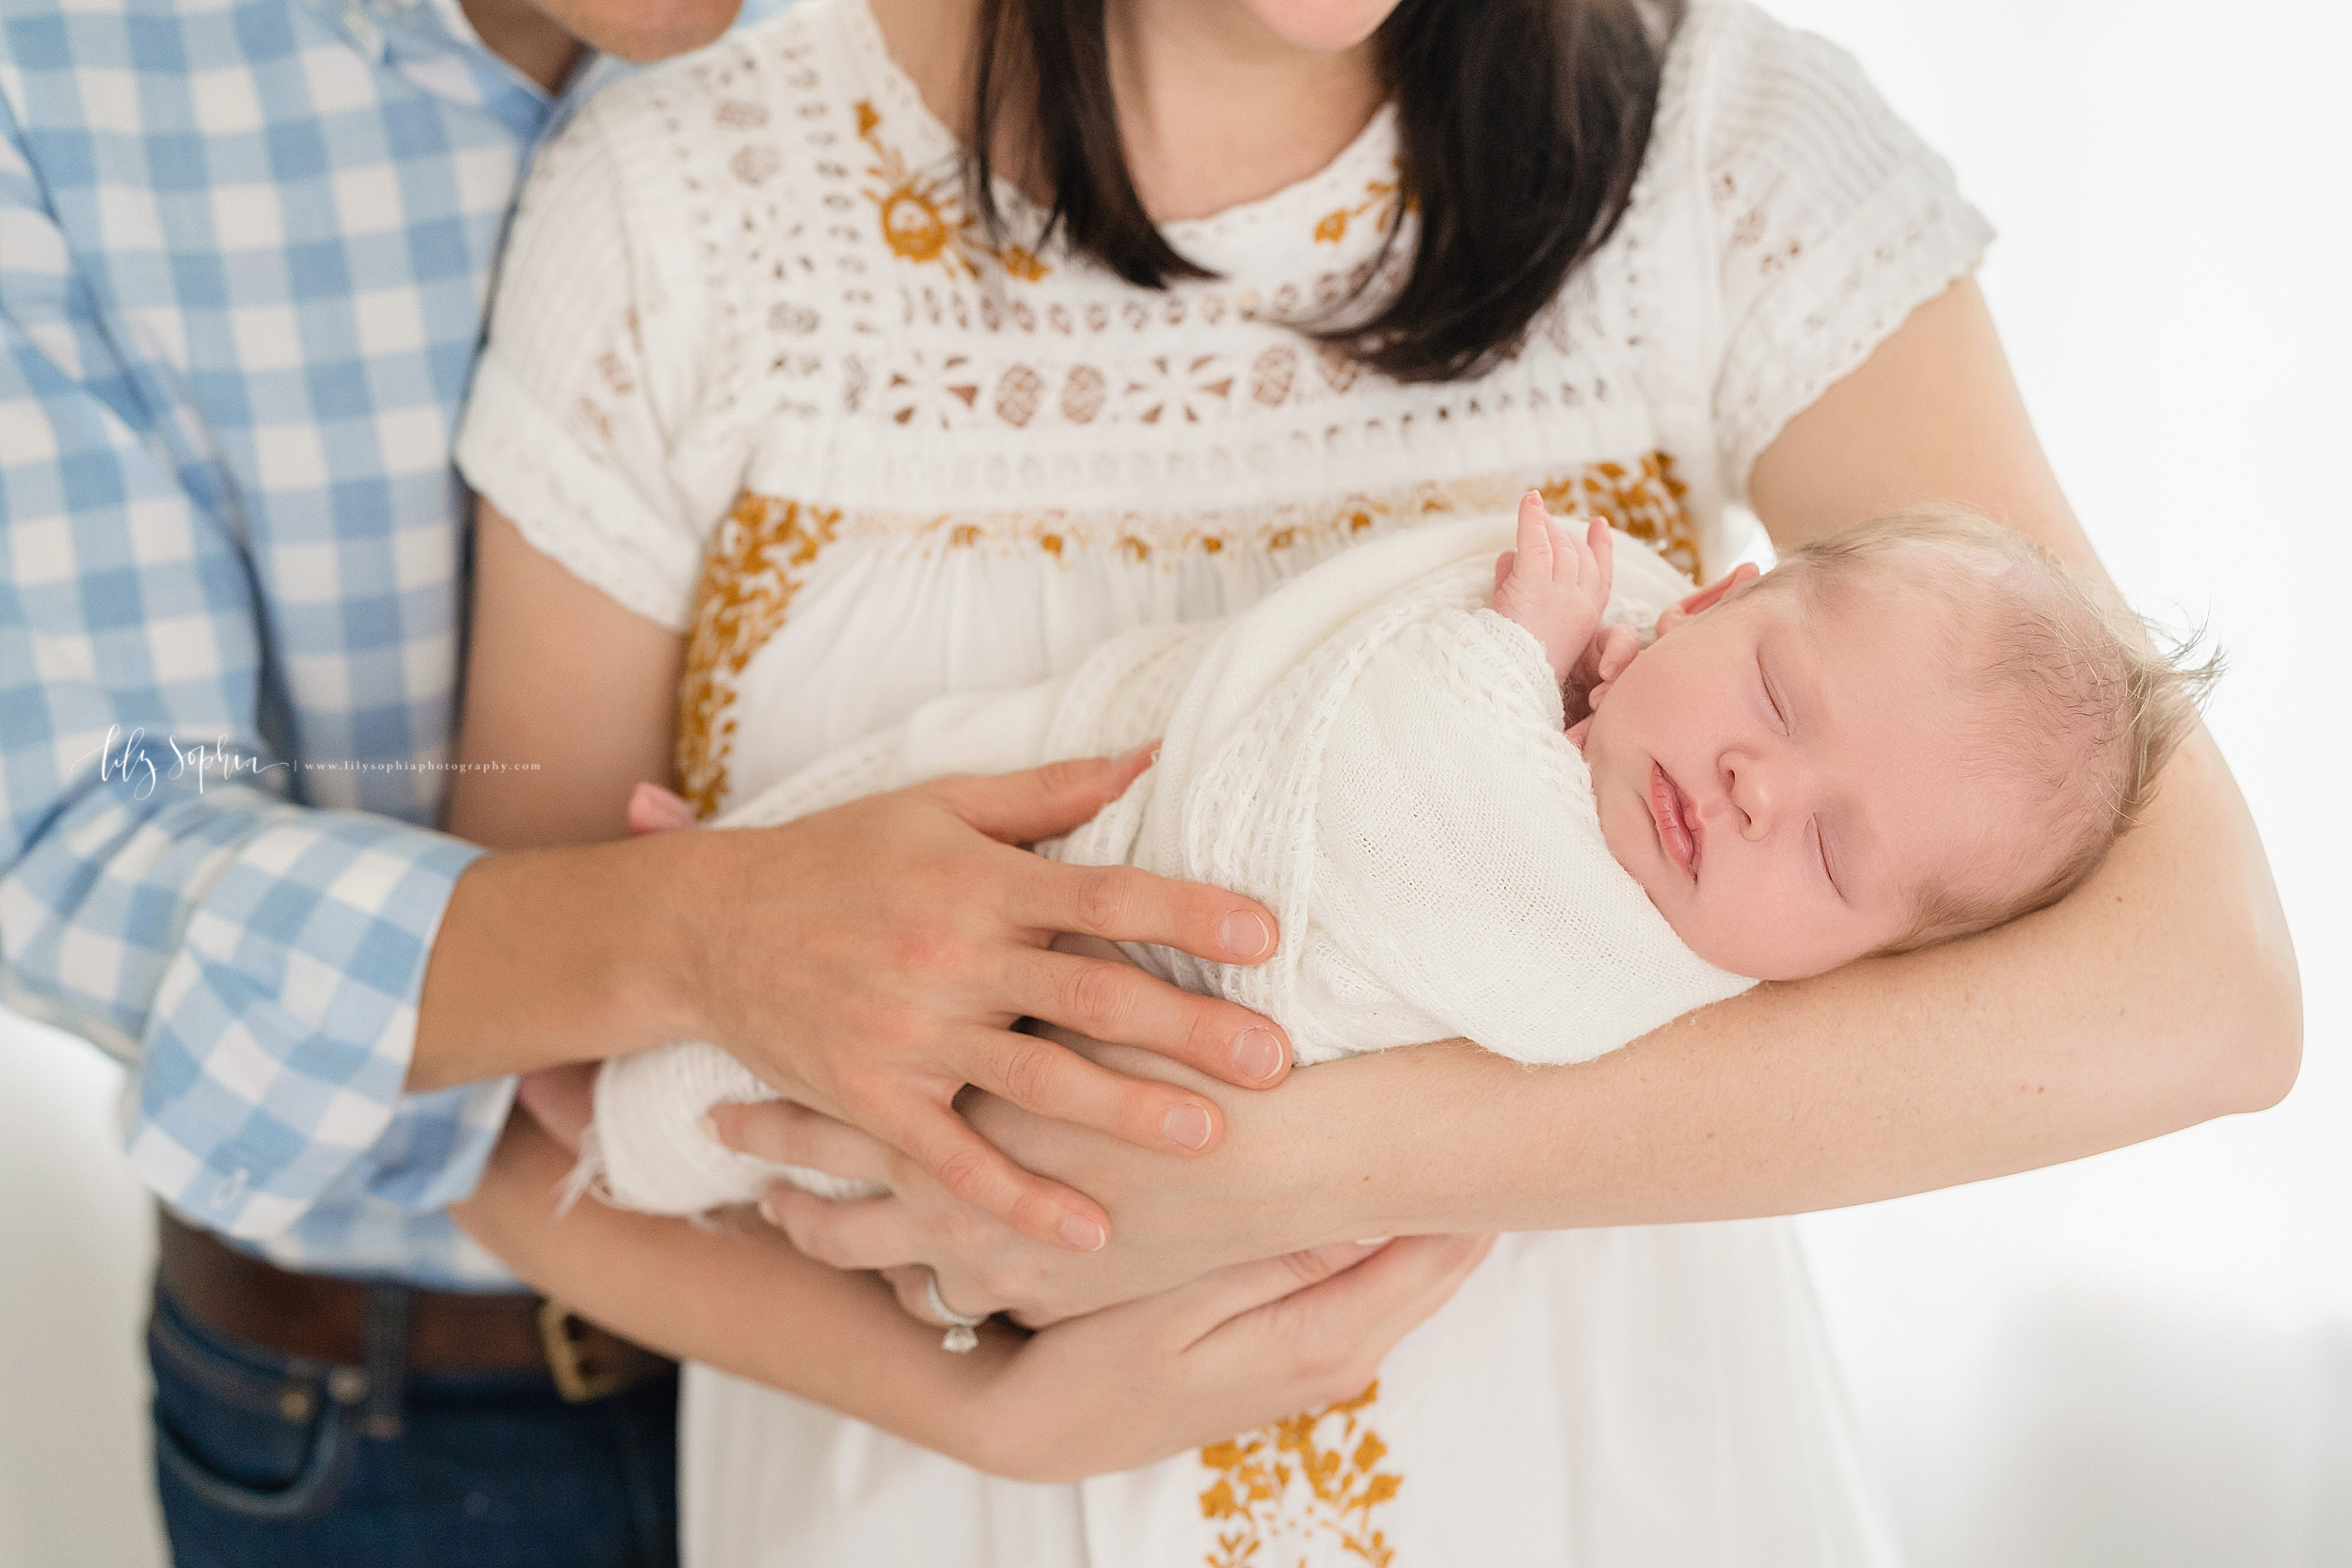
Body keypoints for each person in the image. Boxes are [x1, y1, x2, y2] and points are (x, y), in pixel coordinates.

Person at [439, 0, 2298, 1560]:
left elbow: (2197, 997)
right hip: (935, 1500)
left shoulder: (1717, 140)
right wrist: (988, 1404)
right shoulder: (689, 196)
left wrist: (1288, 1163)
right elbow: (474, 1105)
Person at [0, 0, 1467, 1560]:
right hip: (420, 1411)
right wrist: (702, 936)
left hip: (971, 1325)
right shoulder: (70, 77)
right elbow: (82, 840)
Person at [575, 499, 2215, 1227]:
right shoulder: (1615, 669)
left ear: (1840, 974)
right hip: (1077, 786)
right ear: (1706, 603)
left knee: (809, 1085)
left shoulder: (1623, 952)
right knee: (866, 841)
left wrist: (1507, 659)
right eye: (1779, 697)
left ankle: (619, 1115)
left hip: (1095, 1015)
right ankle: (709, 888)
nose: (1756, 784)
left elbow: (1397, 826)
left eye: (1838, 856)